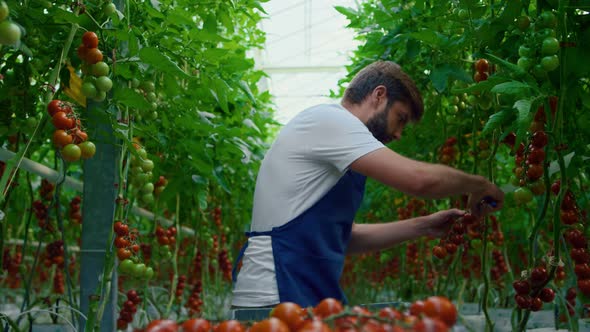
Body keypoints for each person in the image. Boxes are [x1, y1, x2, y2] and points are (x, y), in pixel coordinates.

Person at [230, 61, 504, 309]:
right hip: (275, 293)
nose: (398, 134)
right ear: (379, 95)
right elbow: (420, 180)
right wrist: (477, 184)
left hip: (302, 295)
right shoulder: (330, 120)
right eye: (400, 118)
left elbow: (341, 237)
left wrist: (423, 226)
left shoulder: (340, 147)